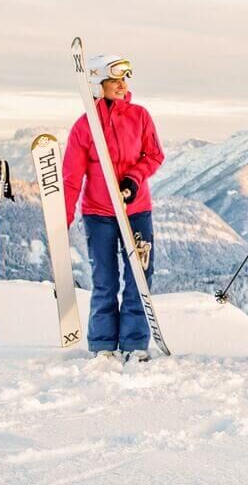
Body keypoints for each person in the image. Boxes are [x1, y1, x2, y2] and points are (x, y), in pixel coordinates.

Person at [63, 54, 165, 362]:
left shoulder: (140, 116)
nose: (122, 86)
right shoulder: (84, 128)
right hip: (99, 214)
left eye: (124, 80)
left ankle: (135, 342)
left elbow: (155, 155)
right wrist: (62, 220)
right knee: (104, 279)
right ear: (97, 85)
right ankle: (103, 343)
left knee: (138, 276)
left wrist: (133, 181)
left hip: (136, 211)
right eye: (114, 81)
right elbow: (71, 178)